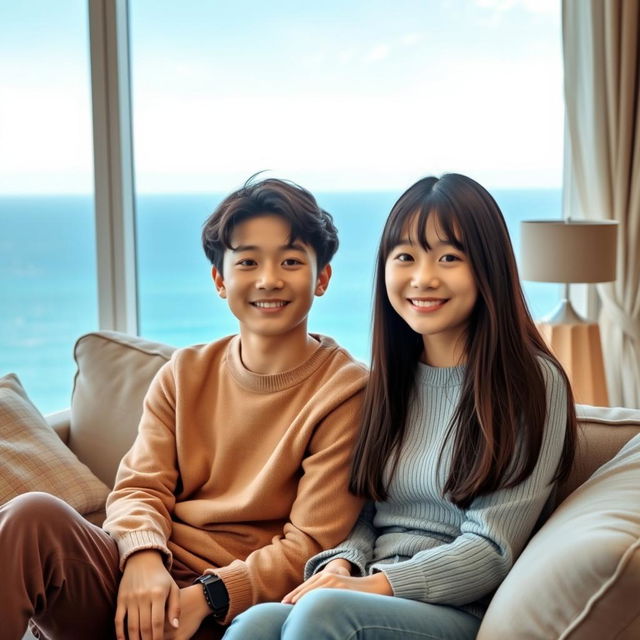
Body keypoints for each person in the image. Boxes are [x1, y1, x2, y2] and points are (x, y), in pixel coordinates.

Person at [0, 177, 367, 640]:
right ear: (220, 280)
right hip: (141, 583)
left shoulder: (346, 391)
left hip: (231, 609)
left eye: (290, 261)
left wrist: (208, 596)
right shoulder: (185, 371)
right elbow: (139, 486)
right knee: (32, 517)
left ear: (321, 278)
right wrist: (141, 557)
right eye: (248, 261)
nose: (269, 279)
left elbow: (310, 545)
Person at [224, 173, 578, 640]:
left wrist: (377, 585)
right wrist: (347, 565)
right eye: (405, 256)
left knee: (323, 614)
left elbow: (491, 548)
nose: (422, 278)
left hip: (460, 609)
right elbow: (366, 514)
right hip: (371, 589)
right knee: (255, 622)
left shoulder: (530, 383)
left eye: (449, 257)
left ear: (487, 267)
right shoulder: (388, 381)